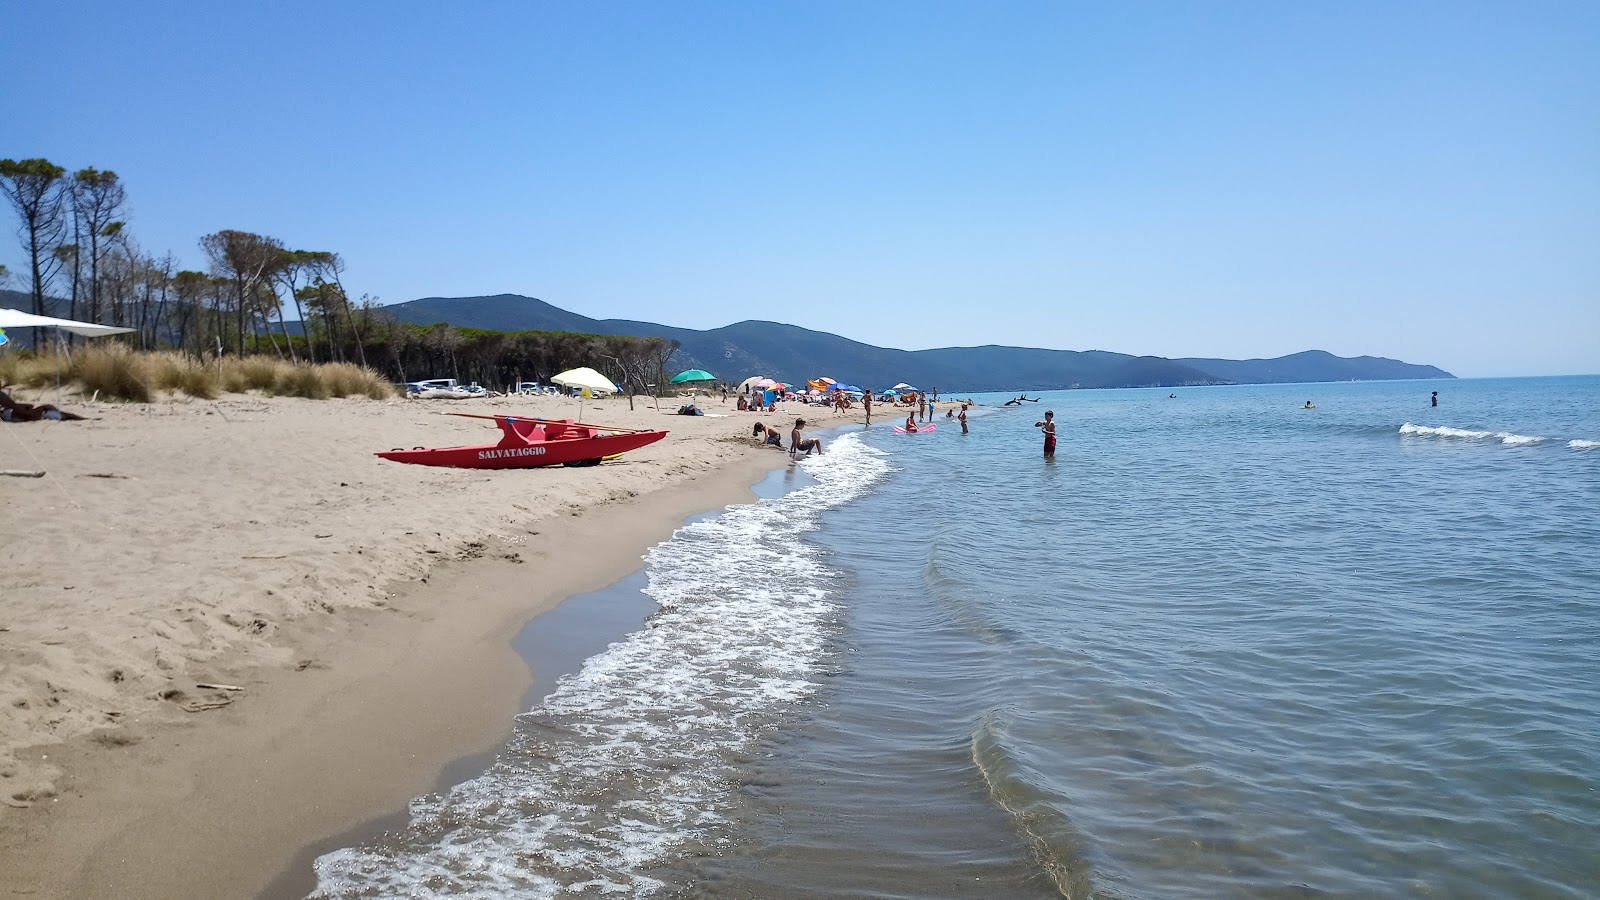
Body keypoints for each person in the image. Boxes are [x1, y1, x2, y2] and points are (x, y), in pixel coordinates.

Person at [0, 391, 86, 422]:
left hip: (12, 414)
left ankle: (78, 418)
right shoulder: (2, 396)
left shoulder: (3, 397)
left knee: (52, 412)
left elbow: (12, 405)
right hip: (14, 415)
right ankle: (80, 418)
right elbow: (14, 407)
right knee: (50, 411)